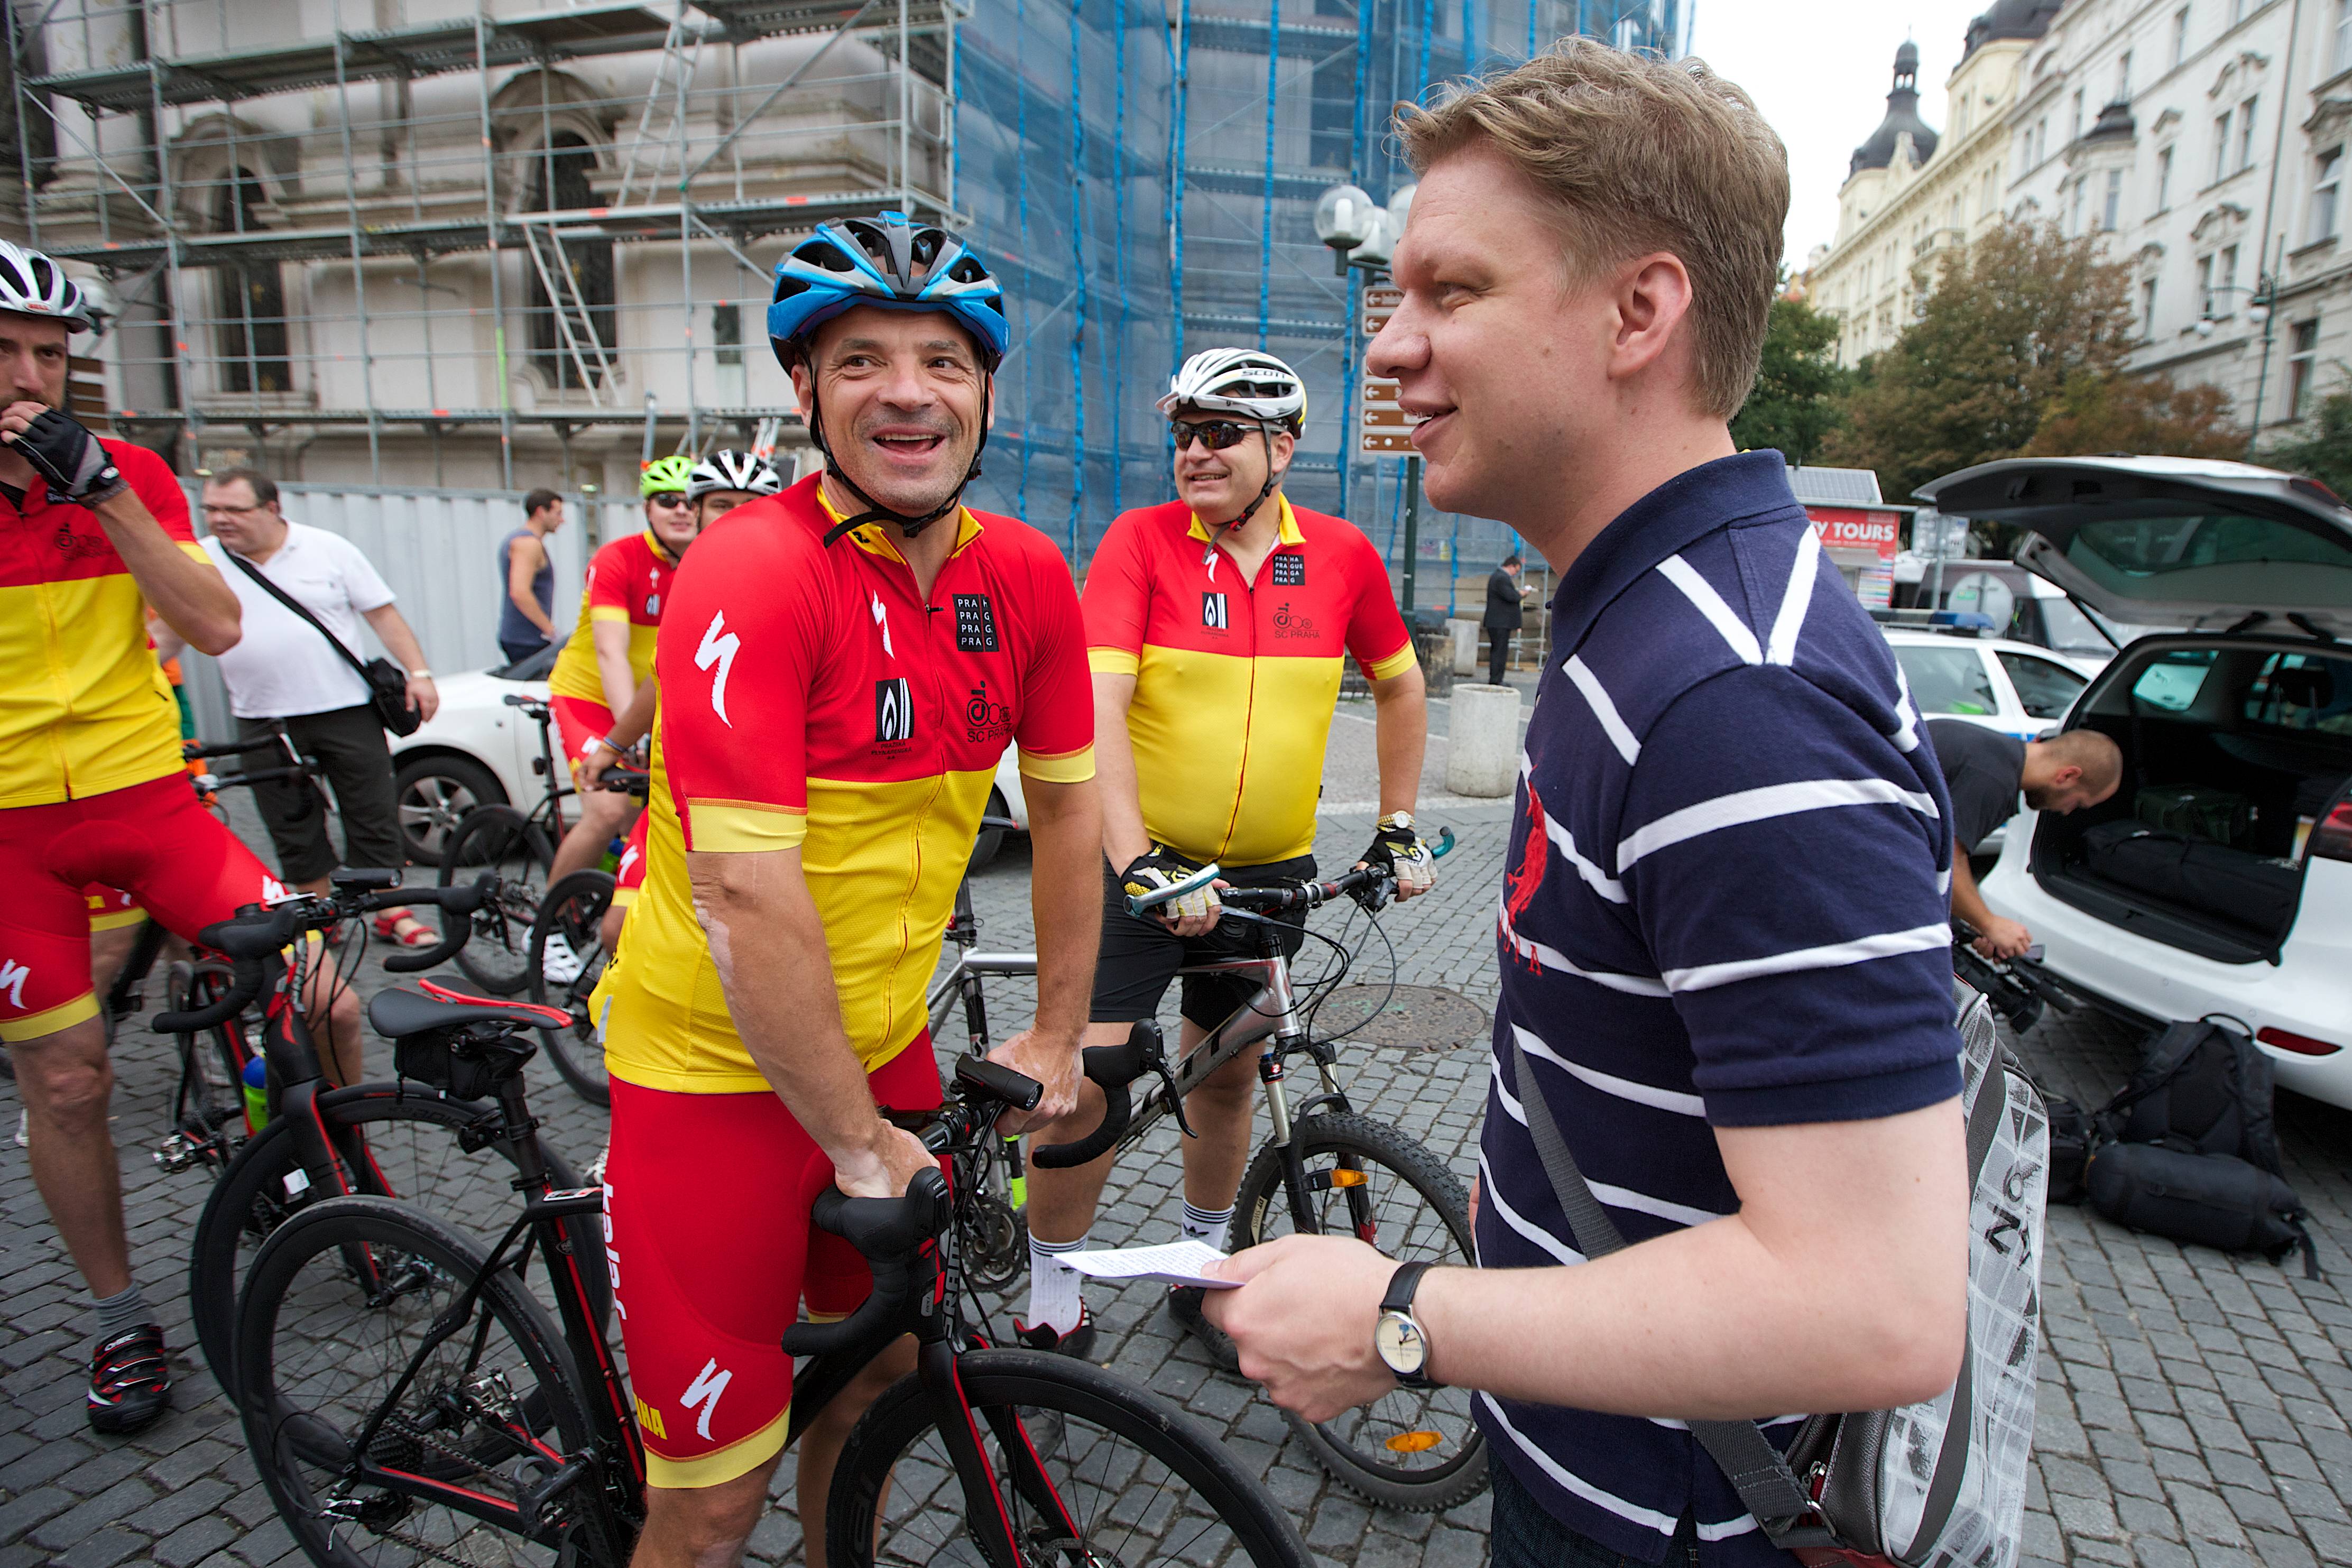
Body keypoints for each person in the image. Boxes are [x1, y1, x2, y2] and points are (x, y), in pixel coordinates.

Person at [1199, 44, 1972, 1568]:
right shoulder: (1647, 617)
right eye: (1396, 294)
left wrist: (1405, 1315)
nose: (1389, 346)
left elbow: (1874, 1304)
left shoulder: (1729, 691)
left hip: (1665, 1524)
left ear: (1640, 313)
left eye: (1451, 290)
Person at [594, 213, 1103, 1568]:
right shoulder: (752, 569)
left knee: (877, 1384)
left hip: (881, 1047)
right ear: (805, 390)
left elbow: (1067, 811)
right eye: (862, 359)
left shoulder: (1025, 575)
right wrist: (858, 1140)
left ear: (985, 391)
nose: (906, 392)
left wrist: (1059, 1029)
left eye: (943, 360)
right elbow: (743, 893)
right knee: (711, 1502)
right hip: (711, 1074)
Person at [1015, 346, 1434, 1364]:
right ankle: (1051, 1291)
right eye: (1182, 435)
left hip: (1264, 880)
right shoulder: (1141, 542)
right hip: (1140, 869)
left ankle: (1203, 1277)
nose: (1193, 453)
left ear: (1279, 448)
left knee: (1228, 1079)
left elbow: (1400, 682)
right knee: (1093, 1079)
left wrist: (1396, 822)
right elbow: (1098, 704)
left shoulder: (1338, 555)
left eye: (1218, 433)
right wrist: (1136, 860)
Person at [0, 239, 303, 1435]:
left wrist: (107, 495)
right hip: (14, 830)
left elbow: (216, 626)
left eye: (50, 354)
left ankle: (303, 1167)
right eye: (7, 351)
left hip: (147, 797)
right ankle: (120, 1314)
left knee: (319, 986)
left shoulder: (122, 472)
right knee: (68, 1077)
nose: (31, 377)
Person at [185, 469, 441, 1010]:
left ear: (272, 508)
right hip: (261, 714)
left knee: (370, 808)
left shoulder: (327, 549)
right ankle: (318, 916)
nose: (220, 519)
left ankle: (389, 908)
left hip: (343, 707)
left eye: (234, 509)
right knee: (290, 819)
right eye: (212, 509)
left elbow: (382, 614)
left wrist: (419, 673)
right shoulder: (201, 560)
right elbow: (168, 629)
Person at [576, 450, 786, 956]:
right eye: (722, 505)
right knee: (618, 927)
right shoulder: (691, 577)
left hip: (757, 793)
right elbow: (659, 674)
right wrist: (613, 746)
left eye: (749, 505)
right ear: (699, 512)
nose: (736, 516)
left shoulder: (789, 576)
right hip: (677, 784)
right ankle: (555, 932)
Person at [542, 455, 698, 897]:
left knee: (646, 819)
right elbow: (610, 652)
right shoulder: (619, 558)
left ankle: (615, 901)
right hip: (589, 699)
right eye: (667, 501)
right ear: (647, 509)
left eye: (689, 501)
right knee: (608, 811)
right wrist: (632, 734)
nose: (680, 510)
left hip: (646, 708)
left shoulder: (706, 562)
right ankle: (549, 923)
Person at [1926, 717, 2120, 958]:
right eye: (2078, 803)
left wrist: (1977, 924)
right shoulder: (1994, 780)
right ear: (2068, 776)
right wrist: (1989, 923)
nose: (2067, 812)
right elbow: (1945, 861)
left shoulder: (1993, 753)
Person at [499, 487, 566, 664]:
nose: (562, 520)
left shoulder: (517, 540)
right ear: (541, 512)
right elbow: (520, 592)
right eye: (558, 514)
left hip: (524, 638)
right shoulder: (528, 544)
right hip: (527, 640)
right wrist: (551, 632)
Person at [1483, 551, 1533, 683]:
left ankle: (1497, 679)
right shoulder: (1501, 578)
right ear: (1511, 566)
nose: (1515, 574)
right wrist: (1522, 594)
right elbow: (1512, 597)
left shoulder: (1499, 577)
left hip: (1499, 622)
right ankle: (1496, 680)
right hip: (1500, 622)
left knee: (1499, 650)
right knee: (1499, 652)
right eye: (1516, 571)